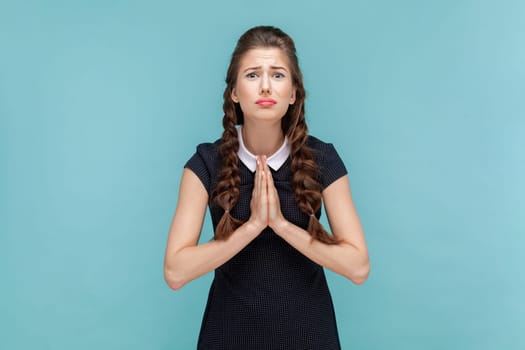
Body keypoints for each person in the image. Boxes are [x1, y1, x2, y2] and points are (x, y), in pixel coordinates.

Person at [163, 25, 370, 350]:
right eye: (252, 75)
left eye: (277, 75)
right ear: (233, 92)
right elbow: (175, 271)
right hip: (228, 336)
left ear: (293, 93)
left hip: (309, 338)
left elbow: (358, 267)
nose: (264, 86)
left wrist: (282, 226)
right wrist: (252, 227)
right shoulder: (206, 163)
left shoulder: (323, 159)